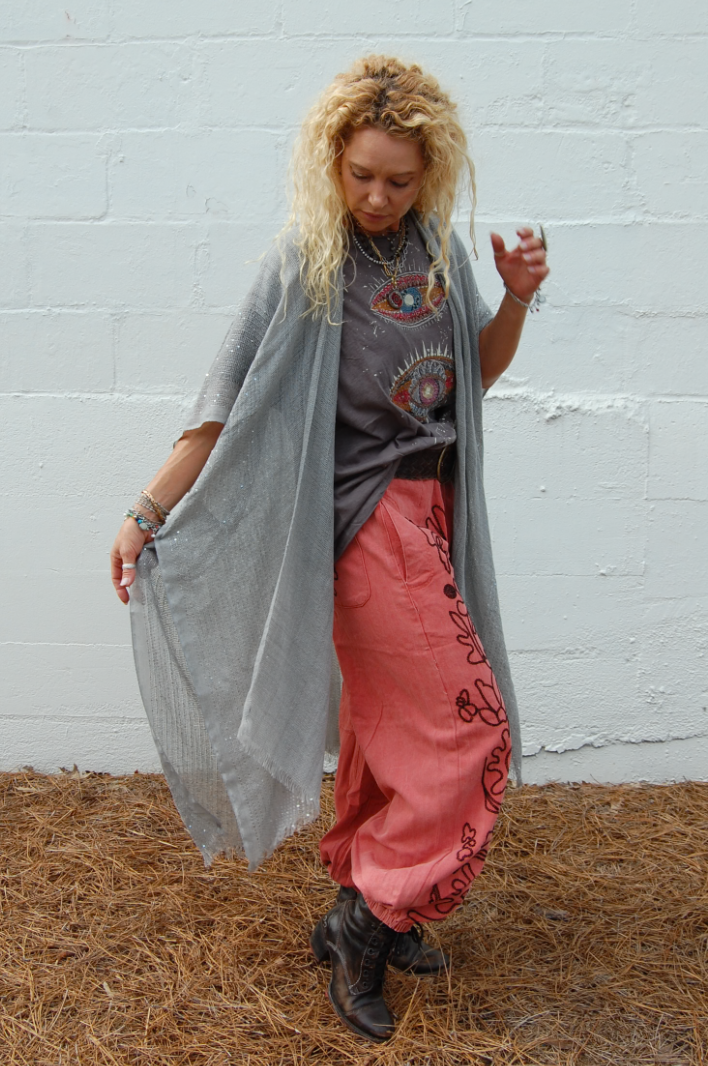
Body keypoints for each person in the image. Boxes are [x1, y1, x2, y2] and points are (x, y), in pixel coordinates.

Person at [110, 55, 549, 1043]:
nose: (378, 196)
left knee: (394, 729)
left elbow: (467, 381)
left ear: (430, 173)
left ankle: (366, 890)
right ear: (333, 160)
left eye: (399, 179)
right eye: (361, 175)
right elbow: (223, 406)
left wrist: (516, 299)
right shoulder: (304, 261)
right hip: (364, 528)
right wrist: (146, 511)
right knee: (473, 735)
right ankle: (367, 923)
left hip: (434, 519)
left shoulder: (437, 250)